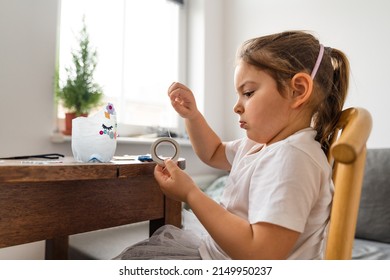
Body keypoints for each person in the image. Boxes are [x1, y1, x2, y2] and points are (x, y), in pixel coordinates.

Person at [113, 30, 350, 260]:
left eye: (248, 93)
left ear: (298, 90)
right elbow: (213, 152)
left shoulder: (294, 158)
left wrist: (191, 194)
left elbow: (262, 254)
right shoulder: (259, 145)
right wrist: (192, 116)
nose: (237, 106)